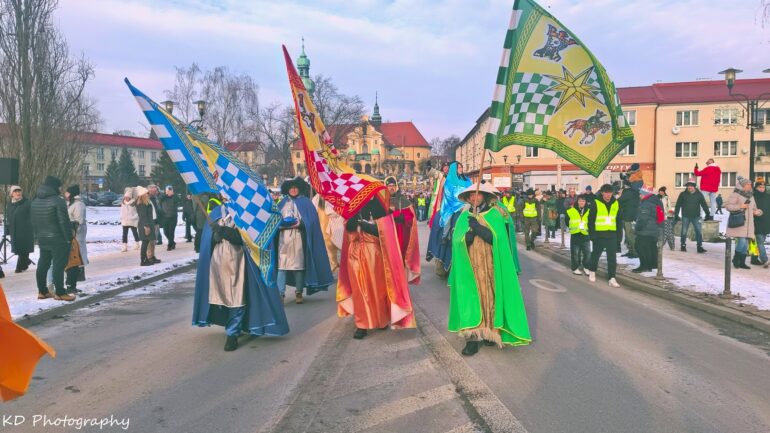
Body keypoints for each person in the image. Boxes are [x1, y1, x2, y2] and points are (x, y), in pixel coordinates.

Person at [193, 202, 289, 351]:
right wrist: (213, 237)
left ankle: (232, 333)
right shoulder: (216, 213)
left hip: (238, 261)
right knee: (220, 298)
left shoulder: (244, 212)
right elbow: (204, 241)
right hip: (217, 263)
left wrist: (225, 232)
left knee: (237, 297)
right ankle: (233, 325)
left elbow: (248, 239)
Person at [448, 182, 530, 356]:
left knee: (490, 297)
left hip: (491, 266)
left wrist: (479, 228)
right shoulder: (464, 217)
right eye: (470, 196)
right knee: (471, 299)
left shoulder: (494, 215)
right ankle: (472, 338)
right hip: (470, 268)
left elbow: (498, 240)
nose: (473, 198)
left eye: (476, 195)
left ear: (483, 196)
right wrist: (467, 236)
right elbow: (457, 242)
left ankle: (488, 332)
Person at [337, 196, 415, 339]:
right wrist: (355, 220)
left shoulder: (378, 207)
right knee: (359, 291)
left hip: (374, 255)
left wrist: (365, 225)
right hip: (355, 255)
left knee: (377, 289)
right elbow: (348, 228)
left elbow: (384, 231)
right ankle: (361, 325)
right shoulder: (352, 207)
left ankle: (381, 319)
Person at [275, 177, 333, 303]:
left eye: (295, 188)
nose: (294, 190)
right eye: (291, 188)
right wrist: (278, 225)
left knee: (298, 267)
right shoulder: (282, 203)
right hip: (283, 240)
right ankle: (281, 294)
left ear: (299, 188)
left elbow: (312, 221)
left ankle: (299, 292)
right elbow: (274, 219)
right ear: (287, 189)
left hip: (298, 239)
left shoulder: (306, 202)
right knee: (281, 267)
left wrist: (300, 224)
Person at [30, 176, 75, 301]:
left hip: (43, 238)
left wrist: (38, 236)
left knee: (43, 264)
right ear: (55, 187)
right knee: (58, 266)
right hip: (58, 239)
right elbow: (63, 222)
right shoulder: (58, 200)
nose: (61, 189)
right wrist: (69, 238)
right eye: (60, 187)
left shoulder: (35, 200)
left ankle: (42, 291)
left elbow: (33, 222)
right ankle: (60, 292)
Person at [426, 162, 471, 276]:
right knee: (448, 221)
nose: (461, 169)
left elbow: (471, 191)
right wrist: (460, 206)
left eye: (461, 167)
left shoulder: (467, 180)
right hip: (452, 207)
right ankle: (445, 236)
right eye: (458, 167)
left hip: (468, 205)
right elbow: (449, 196)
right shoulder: (449, 181)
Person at [386, 177, 421, 283]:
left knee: (399, 258)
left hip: (400, 234)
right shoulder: (382, 199)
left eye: (393, 186)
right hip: (387, 233)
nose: (391, 188)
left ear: (396, 186)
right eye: (389, 186)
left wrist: (401, 217)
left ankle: (400, 281)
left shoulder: (402, 200)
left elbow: (411, 216)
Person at [587, 184, 621, 288]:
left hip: (612, 234)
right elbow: (591, 220)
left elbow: (619, 220)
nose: (608, 195)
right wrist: (592, 235)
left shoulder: (616, 203)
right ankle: (592, 271)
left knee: (612, 258)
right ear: (602, 193)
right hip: (599, 234)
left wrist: (619, 237)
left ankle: (612, 278)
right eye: (606, 192)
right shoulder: (596, 203)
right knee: (595, 255)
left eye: (610, 192)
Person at [725, 176, 762, 269]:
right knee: (741, 241)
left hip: (749, 224)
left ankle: (742, 262)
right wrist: (740, 206)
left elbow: (754, 208)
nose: (750, 186)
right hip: (740, 222)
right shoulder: (736, 194)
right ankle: (736, 259)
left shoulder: (751, 195)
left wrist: (757, 212)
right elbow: (728, 206)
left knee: (745, 244)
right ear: (743, 185)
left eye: (750, 184)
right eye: (748, 184)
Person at [673, 180, 709, 253]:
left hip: (696, 216)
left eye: (691, 186)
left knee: (698, 231)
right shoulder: (683, 194)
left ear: (694, 187)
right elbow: (678, 205)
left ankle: (699, 247)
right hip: (685, 216)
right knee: (684, 231)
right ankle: (683, 245)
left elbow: (704, 204)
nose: (689, 187)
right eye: (688, 186)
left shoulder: (699, 194)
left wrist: (708, 214)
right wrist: (676, 214)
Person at [312, 192, 344, 273]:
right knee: (328, 250)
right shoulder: (316, 198)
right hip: (322, 228)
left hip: (336, 226)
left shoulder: (337, 195)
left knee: (342, 248)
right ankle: (331, 268)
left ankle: (344, 270)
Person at [64, 185, 88, 293]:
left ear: (72, 193)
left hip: (76, 235)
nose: (65, 194)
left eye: (67, 192)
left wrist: (73, 230)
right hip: (71, 234)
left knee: (76, 257)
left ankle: (75, 279)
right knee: (73, 258)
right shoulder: (72, 204)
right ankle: (72, 281)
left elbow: (79, 220)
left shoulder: (78, 205)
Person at [634, 189, 664, 273]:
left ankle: (644, 266)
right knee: (651, 247)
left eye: (640, 194)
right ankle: (653, 264)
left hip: (646, 229)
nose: (639, 195)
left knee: (639, 246)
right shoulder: (656, 200)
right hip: (655, 229)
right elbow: (661, 216)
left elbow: (643, 218)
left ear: (645, 194)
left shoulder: (646, 203)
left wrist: (637, 228)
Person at [7, 186, 34, 273]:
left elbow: (32, 215)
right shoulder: (10, 204)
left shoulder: (27, 203)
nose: (18, 193)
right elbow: (10, 217)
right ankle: (26, 262)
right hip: (14, 230)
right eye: (15, 191)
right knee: (18, 249)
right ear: (11, 194)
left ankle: (19, 267)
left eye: (19, 191)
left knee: (23, 248)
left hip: (25, 230)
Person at [566, 194, 591, 275]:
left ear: (585, 202)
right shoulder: (571, 210)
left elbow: (591, 222)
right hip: (575, 233)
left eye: (583, 201)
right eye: (580, 201)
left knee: (587, 252)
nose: (582, 203)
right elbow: (567, 220)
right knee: (575, 252)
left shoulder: (589, 210)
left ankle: (586, 266)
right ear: (577, 201)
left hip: (585, 233)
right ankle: (575, 267)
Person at [135, 186, 160, 266]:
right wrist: (146, 226)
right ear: (143, 194)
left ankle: (145, 259)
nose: (147, 194)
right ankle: (143, 260)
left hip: (148, 224)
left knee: (146, 243)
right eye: (146, 193)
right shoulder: (142, 204)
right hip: (145, 225)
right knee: (145, 243)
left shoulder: (145, 202)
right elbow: (143, 216)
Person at [617, 181, 639, 258]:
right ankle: (631, 250)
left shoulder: (628, 193)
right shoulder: (634, 192)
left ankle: (634, 252)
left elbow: (618, 201)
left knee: (630, 235)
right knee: (629, 235)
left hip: (628, 217)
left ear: (625, 186)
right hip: (631, 217)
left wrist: (619, 196)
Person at [752, 179, 769, 267]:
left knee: (758, 242)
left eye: (763, 187)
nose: (762, 189)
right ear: (756, 188)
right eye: (760, 187)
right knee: (759, 241)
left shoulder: (767, 196)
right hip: (756, 222)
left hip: (766, 223)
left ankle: (753, 258)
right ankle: (764, 259)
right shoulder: (753, 196)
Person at [159, 185, 179, 251]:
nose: (169, 192)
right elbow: (160, 199)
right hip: (165, 217)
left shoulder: (175, 197)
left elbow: (178, 200)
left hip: (173, 217)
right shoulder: (163, 197)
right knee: (165, 232)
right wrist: (166, 194)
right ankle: (172, 242)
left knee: (171, 231)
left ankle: (169, 245)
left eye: (170, 190)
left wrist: (173, 194)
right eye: (167, 190)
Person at [658, 187, 675, 251]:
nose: (661, 192)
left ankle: (672, 245)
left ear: (664, 192)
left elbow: (670, 207)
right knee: (663, 232)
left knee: (669, 231)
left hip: (667, 216)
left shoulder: (667, 198)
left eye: (662, 191)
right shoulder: (657, 198)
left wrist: (670, 213)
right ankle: (661, 244)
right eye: (660, 191)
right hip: (660, 217)